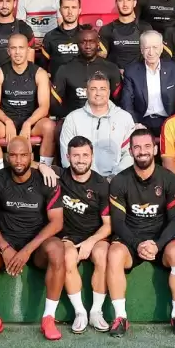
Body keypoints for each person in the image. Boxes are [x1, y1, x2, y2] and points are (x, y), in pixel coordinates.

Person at [0, 137, 65, 340]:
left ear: (31, 156)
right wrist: (4, 247)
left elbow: (57, 222)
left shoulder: (46, 180)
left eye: (23, 155)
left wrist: (27, 250)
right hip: (6, 243)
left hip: (36, 246)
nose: (19, 160)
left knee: (57, 249)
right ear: (7, 157)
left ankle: (49, 318)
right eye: (13, 155)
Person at [106, 128, 175, 337]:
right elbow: (117, 222)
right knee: (114, 253)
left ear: (155, 149)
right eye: (137, 147)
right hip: (131, 239)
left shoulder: (169, 179)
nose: (143, 151)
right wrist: (136, 244)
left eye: (147, 146)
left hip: (161, 239)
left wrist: (157, 245)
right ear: (131, 151)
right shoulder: (120, 181)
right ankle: (120, 317)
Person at [51, 136, 112, 333]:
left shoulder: (101, 184)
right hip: (68, 235)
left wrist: (90, 242)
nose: (81, 160)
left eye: (85, 155)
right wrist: (42, 166)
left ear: (92, 156)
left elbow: (108, 226)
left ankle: (96, 312)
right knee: (67, 256)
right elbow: (30, 164)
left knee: (103, 255)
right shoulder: (60, 175)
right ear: (68, 156)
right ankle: (80, 312)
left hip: (95, 235)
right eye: (76, 155)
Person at [0, 33, 56, 173]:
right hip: (6, 122)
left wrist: (28, 123)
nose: (17, 52)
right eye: (13, 48)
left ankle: (44, 170)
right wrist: (7, 121)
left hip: (32, 122)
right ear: (8, 51)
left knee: (50, 127)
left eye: (21, 48)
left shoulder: (39, 73)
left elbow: (44, 107)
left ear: (28, 50)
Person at [60, 71, 135, 178]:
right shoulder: (72, 119)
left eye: (102, 89)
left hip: (117, 180)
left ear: (109, 92)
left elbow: (130, 154)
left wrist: (115, 178)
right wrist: (88, 180)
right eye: (93, 89)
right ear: (86, 92)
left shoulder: (124, 118)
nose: (98, 93)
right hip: (82, 180)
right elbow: (66, 156)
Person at [120, 30, 175, 136]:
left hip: (169, 120)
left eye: (155, 47)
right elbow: (127, 102)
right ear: (141, 49)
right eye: (147, 48)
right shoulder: (131, 71)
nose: (151, 52)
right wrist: (135, 123)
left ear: (162, 48)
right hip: (141, 121)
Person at [51, 26, 122, 119]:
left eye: (91, 41)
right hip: (74, 119)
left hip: (104, 119)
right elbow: (55, 103)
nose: (88, 46)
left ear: (98, 44)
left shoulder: (111, 68)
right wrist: (70, 117)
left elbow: (119, 100)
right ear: (77, 44)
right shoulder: (65, 69)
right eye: (83, 42)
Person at [99, 0, 153, 70]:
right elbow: (101, 60)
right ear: (116, 3)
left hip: (139, 75)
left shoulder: (145, 28)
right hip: (115, 76)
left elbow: (151, 56)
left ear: (134, 3)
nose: (125, 4)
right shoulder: (106, 30)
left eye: (128, 0)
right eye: (121, 0)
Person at [40, 0, 81, 78]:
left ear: (79, 10)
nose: (70, 12)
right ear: (60, 10)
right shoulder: (50, 37)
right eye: (66, 7)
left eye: (74, 7)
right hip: (57, 84)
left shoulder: (87, 35)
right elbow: (43, 68)